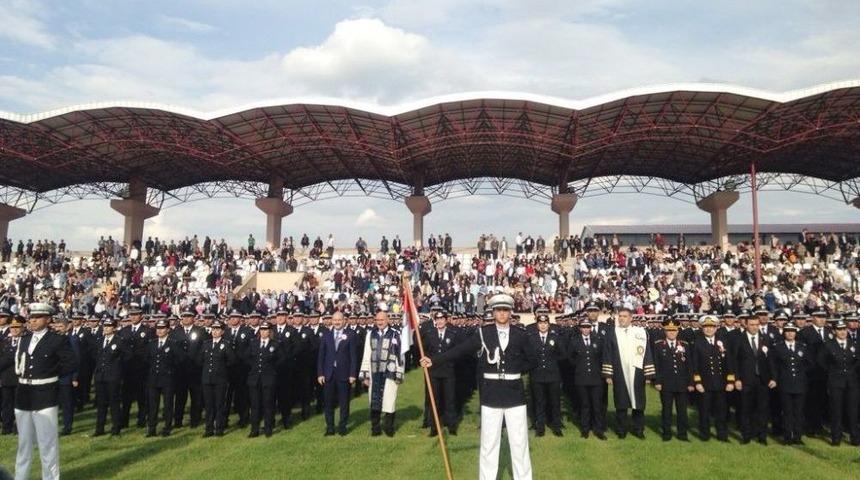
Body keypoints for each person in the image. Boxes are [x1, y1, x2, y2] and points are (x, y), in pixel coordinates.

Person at [421, 294, 537, 480]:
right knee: (489, 444)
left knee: (519, 443)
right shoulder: (484, 333)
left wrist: (515, 370)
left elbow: (533, 360)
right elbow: (460, 350)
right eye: (498, 310)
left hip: (515, 395)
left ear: (510, 312)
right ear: (493, 312)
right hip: (491, 394)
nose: (501, 313)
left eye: (505, 310)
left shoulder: (521, 334)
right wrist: (434, 360)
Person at [6, 303, 77, 480]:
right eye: (31, 317)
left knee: (48, 444)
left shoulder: (57, 340)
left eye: (37, 317)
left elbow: (71, 363)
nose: (33, 320)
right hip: (24, 394)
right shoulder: (24, 338)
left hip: (45, 393)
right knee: (24, 444)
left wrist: (50, 373)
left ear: (48, 319)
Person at [601, 307, 655, 439]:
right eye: (620, 316)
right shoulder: (612, 332)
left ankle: (638, 429)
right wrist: (608, 374)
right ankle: (621, 430)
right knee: (621, 402)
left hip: (637, 372)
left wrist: (648, 374)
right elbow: (607, 353)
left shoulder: (640, 332)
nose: (621, 318)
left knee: (639, 403)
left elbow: (647, 352)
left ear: (631, 318)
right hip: (619, 372)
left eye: (625, 316)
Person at [359, 311, 404, 437]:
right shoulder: (370, 334)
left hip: (389, 373)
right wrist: (365, 375)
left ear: (387, 320)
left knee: (389, 401)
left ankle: (389, 428)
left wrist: (399, 373)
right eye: (377, 320)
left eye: (382, 320)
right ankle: (375, 428)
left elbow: (400, 355)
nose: (380, 322)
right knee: (374, 401)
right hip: (374, 373)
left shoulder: (395, 334)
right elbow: (366, 354)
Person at [691, 314, 734, 442]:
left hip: (721, 383)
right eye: (706, 327)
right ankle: (705, 435)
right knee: (704, 411)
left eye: (711, 327)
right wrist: (697, 382)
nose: (709, 329)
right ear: (702, 328)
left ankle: (722, 435)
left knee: (722, 412)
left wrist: (730, 380)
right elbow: (695, 364)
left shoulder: (723, 342)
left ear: (716, 328)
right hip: (705, 384)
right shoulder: (697, 343)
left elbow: (729, 363)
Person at [735, 315, 776, 445]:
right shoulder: (738, 339)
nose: (754, 327)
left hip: (762, 380)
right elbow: (734, 360)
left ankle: (762, 436)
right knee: (746, 409)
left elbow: (771, 360)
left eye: (756, 324)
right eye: (751, 324)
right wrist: (736, 379)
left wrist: (774, 377)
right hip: (745, 380)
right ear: (746, 325)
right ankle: (746, 436)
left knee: (762, 409)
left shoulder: (766, 339)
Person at [818, 320, 859, 446]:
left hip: (852, 382)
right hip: (835, 382)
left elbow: (858, 360)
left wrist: (853, 371)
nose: (842, 332)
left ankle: (855, 437)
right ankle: (836, 437)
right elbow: (821, 361)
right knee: (836, 411)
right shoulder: (828, 345)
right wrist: (831, 372)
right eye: (839, 330)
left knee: (853, 411)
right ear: (835, 331)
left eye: (844, 329)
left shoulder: (854, 344)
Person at [317, 312, 358, 436]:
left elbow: (353, 357)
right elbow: (321, 356)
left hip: (344, 374)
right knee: (328, 402)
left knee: (344, 402)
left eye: (339, 320)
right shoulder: (326, 335)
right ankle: (330, 427)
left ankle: (342, 426)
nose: (337, 322)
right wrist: (320, 373)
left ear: (344, 320)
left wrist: (352, 374)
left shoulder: (350, 335)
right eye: (334, 320)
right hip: (328, 374)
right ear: (331, 321)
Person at [768, 322, 810, 445]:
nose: (790, 333)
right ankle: (787, 436)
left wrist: (802, 373)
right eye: (788, 331)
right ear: (784, 333)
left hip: (800, 383)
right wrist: (776, 378)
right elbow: (773, 365)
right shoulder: (777, 347)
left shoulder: (802, 346)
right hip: (785, 383)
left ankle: (797, 436)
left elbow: (809, 363)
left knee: (799, 412)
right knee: (787, 411)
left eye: (792, 331)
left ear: (795, 333)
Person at [652, 318, 693, 441]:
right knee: (667, 410)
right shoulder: (658, 345)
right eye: (669, 330)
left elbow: (689, 365)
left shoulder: (684, 345)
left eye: (674, 330)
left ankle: (682, 434)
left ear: (677, 331)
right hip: (666, 383)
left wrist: (690, 382)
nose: (671, 333)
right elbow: (656, 364)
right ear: (665, 331)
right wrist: (657, 381)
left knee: (682, 411)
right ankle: (667, 433)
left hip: (682, 383)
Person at [527, 309, 566, 437]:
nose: (543, 325)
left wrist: (553, 361)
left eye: (545, 323)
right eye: (540, 323)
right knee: (539, 401)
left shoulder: (555, 337)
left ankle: (556, 426)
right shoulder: (531, 338)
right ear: (537, 324)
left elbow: (563, 354)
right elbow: (528, 355)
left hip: (553, 375)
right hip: (537, 375)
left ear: (549, 324)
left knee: (555, 402)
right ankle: (540, 427)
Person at [421, 310, 460, 437]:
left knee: (449, 400)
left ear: (446, 320)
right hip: (434, 372)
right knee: (434, 401)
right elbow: (425, 350)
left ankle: (451, 426)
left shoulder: (453, 334)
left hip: (448, 371)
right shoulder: (430, 334)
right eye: (437, 319)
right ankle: (434, 427)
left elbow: (456, 352)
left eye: (441, 319)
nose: (439, 321)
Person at [568, 317, 606, 439]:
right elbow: (570, 358)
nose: (586, 329)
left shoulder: (598, 340)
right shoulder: (574, 341)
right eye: (583, 327)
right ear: (580, 328)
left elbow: (601, 357)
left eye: (588, 327)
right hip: (581, 378)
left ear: (591, 328)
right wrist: (579, 366)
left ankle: (598, 429)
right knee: (584, 405)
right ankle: (585, 429)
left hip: (596, 378)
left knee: (597, 405)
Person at [145, 317, 183, 437]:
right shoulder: (151, 344)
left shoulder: (173, 344)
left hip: (167, 379)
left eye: (163, 328)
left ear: (168, 330)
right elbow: (147, 360)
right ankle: (152, 428)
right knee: (153, 405)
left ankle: (167, 427)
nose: (160, 331)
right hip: (153, 379)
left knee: (167, 404)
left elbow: (180, 359)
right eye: (158, 328)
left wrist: (171, 371)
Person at [93, 317, 130, 437]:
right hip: (100, 376)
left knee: (114, 403)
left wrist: (118, 368)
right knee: (101, 403)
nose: (106, 328)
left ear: (114, 328)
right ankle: (100, 429)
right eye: (105, 326)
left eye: (109, 326)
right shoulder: (99, 340)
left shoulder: (120, 341)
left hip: (113, 376)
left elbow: (127, 356)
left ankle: (116, 428)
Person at [118, 302, 152, 429]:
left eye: (136, 315)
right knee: (126, 398)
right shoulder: (124, 331)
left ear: (141, 316)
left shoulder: (147, 331)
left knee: (141, 397)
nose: (133, 317)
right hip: (127, 369)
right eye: (131, 315)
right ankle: (124, 421)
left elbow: (149, 350)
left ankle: (141, 419)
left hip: (142, 369)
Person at [246, 321, 283, 437]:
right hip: (255, 378)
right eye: (261, 330)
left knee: (268, 404)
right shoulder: (253, 343)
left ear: (270, 331)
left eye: (266, 330)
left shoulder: (275, 344)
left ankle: (268, 428)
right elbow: (247, 357)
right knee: (255, 405)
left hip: (268, 378)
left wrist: (271, 368)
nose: (263, 332)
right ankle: (254, 429)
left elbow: (281, 359)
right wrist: (254, 366)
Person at [199, 319, 235, 437]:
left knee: (219, 404)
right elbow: (200, 360)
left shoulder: (226, 344)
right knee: (209, 405)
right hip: (207, 379)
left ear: (222, 331)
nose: (215, 332)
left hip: (220, 379)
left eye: (217, 329)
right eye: (213, 329)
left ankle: (219, 428)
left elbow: (232, 360)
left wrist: (223, 371)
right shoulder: (206, 344)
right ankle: (209, 428)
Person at [0, 317, 23, 435]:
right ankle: (6, 426)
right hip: (6, 378)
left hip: (20, 378)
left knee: (19, 405)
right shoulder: (4, 342)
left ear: (22, 327)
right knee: (6, 404)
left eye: (17, 327)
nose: (14, 329)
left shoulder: (26, 341)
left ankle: (18, 427)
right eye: (12, 327)